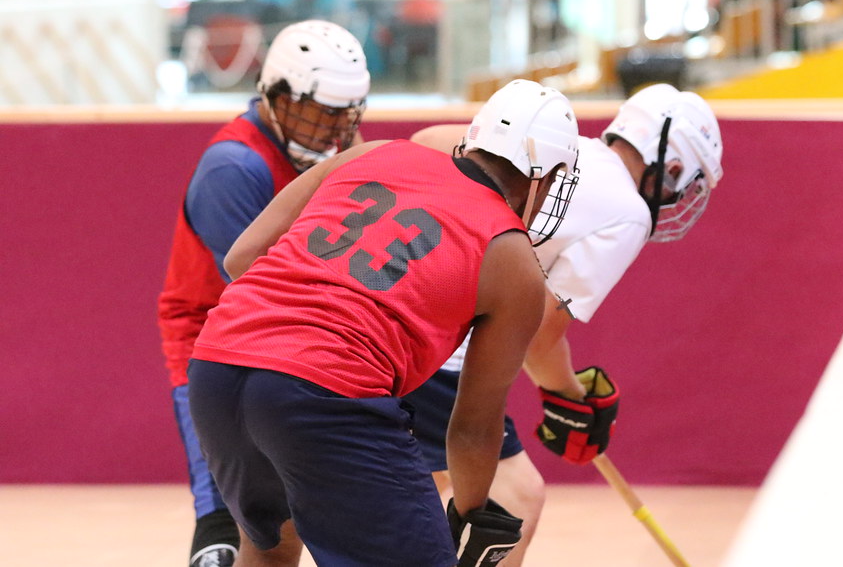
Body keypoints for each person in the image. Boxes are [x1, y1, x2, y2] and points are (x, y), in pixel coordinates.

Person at [186, 79, 581, 567]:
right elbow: (474, 429)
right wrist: (470, 513)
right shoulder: (513, 256)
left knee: (269, 554)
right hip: (324, 390)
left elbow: (242, 257)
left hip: (217, 365)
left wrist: (298, 319)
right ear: (549, 176)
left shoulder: (371, 152)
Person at [405, 83, 725, 566]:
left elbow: (425, 141)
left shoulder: (567, 150)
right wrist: (567, 396)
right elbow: (538, 332)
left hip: (399, 327)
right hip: (442, 358)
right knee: (518, 497)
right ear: (674, 168)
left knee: (428, 484)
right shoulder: (630, 215)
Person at [157, 19, 371, 567]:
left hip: (289, 341)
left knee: (294, 518)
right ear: (276, 95)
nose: (333, 130)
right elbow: (260, 289)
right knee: (228, 522)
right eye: (321, 113)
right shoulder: (234, 166)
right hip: (216, 348)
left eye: (346, 116)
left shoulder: (329, 149)